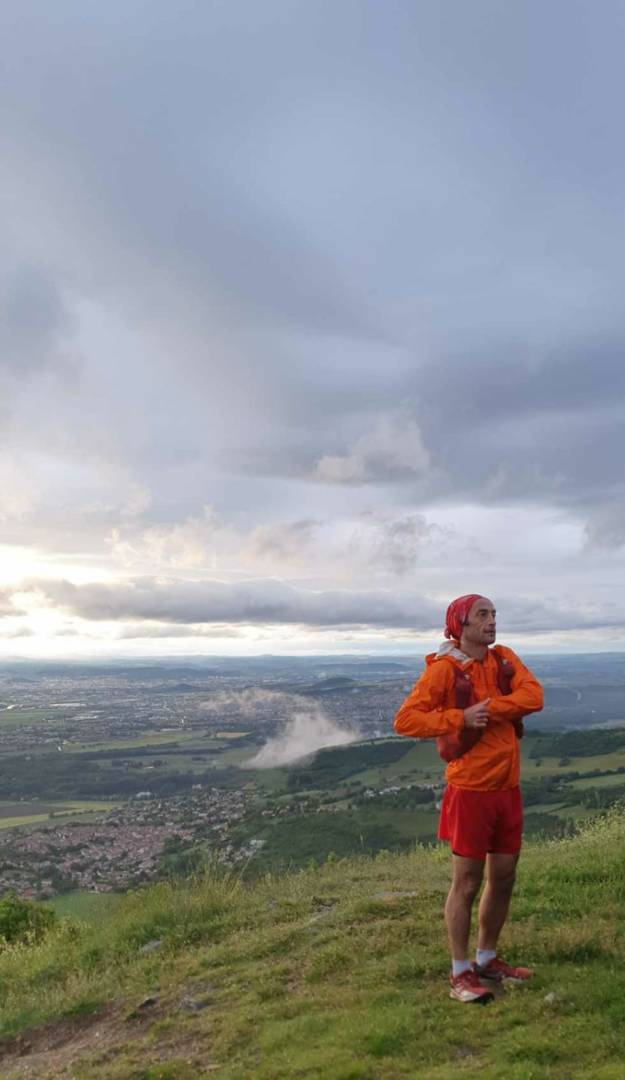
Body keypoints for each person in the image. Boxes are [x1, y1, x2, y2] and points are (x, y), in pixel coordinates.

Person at [394, 594, 543, 1004]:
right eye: (483, 615)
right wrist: (460, 717)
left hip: (507, 788)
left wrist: (488, 710)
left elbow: (534, 697)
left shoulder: (504, 659)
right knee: (467, 882)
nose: (492, 621)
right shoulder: (444, 669)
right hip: (470, 791)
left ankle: (487, 959)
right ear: (460, 624)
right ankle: (460, 972)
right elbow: (405, 720)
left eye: (494, 614)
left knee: (505, 876)